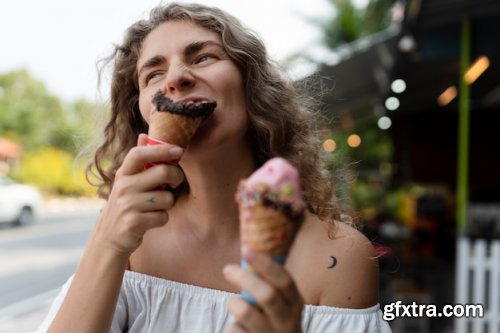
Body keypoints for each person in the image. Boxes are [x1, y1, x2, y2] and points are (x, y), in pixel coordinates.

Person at [34, 3, 391, 332]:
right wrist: (107, 241)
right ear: (141, 114)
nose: (175, 77)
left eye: (203, 57)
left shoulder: (338, 257)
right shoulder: (130, 246)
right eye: (152, 74)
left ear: (252, 88)